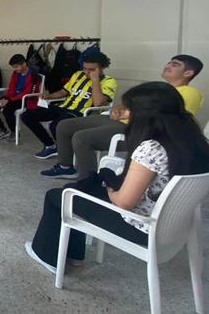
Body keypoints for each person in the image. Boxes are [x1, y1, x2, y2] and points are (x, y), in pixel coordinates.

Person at [26, 82, 209, 273]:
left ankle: (47, 256)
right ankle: (73, 254)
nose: (126, 115)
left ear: (145, 114)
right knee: (78, 189)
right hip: (173, 226)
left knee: (59, 196)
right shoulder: (194, 141)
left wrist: (110, 190)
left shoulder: (152, 148)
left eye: (130, 110)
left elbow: (124, 203)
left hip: (140, 226)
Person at [41, 54, 205, 179]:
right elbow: (128, 102)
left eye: (174, 65)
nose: (168, 65)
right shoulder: (159, 88)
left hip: (137, 129)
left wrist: (127, 113)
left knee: (81, 138)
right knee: (65, 125)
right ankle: (65, 167)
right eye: (169, 62)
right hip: (119, 120)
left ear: (188, 72)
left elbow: (168, 119)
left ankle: (88, 180)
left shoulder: (190, 93)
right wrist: (119, 109)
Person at [21, 51, 117, 159]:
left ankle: (66, 156)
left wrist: (95, 80)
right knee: (27, 115)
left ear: (102, 68)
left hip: (82, 113)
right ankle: (50, 146)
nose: (87, 72)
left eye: (91, 69)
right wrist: (48, 96)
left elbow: (98, 103)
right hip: (63, 107)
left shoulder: (109, 81)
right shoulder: (78, 75)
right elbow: (63, 92)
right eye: (85, 68)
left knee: (56, 125)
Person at [0, 54, 39, 143]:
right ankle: (3, 129)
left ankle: (14, 132)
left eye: (16, 67)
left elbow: (27, 93)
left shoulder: (33, 75)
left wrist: (9, 100)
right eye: (13, 67)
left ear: (24, 64)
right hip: (12, 98)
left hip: (26, 99)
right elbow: (11, 88)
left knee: (7, 109)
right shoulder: (15, 73)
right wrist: (5, 98)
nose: (15, 69)